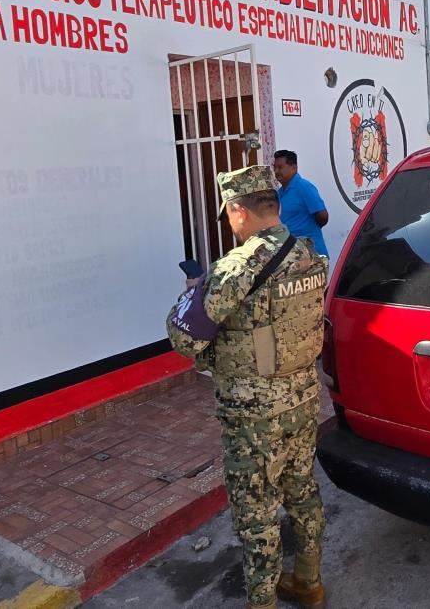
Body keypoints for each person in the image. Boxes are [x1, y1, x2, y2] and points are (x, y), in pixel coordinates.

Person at [166, 165, 328, 609]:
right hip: (303, 397)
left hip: (253, 413)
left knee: (256, 510)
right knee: (301, 488)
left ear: (239, 211)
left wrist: (195, 293)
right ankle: (309, 582)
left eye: (229, 214)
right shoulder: (310, 254)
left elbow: (183, 338)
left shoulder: (236, 267)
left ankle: (262, 602)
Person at [272, 150, 329, 257]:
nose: (276, 171)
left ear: (294, 168)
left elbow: (323, 216)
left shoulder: (304, 187)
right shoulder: (280, 193)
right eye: (274, 167)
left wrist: (307, 229)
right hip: (293, 255)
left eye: (280, 167)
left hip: (311, 254)